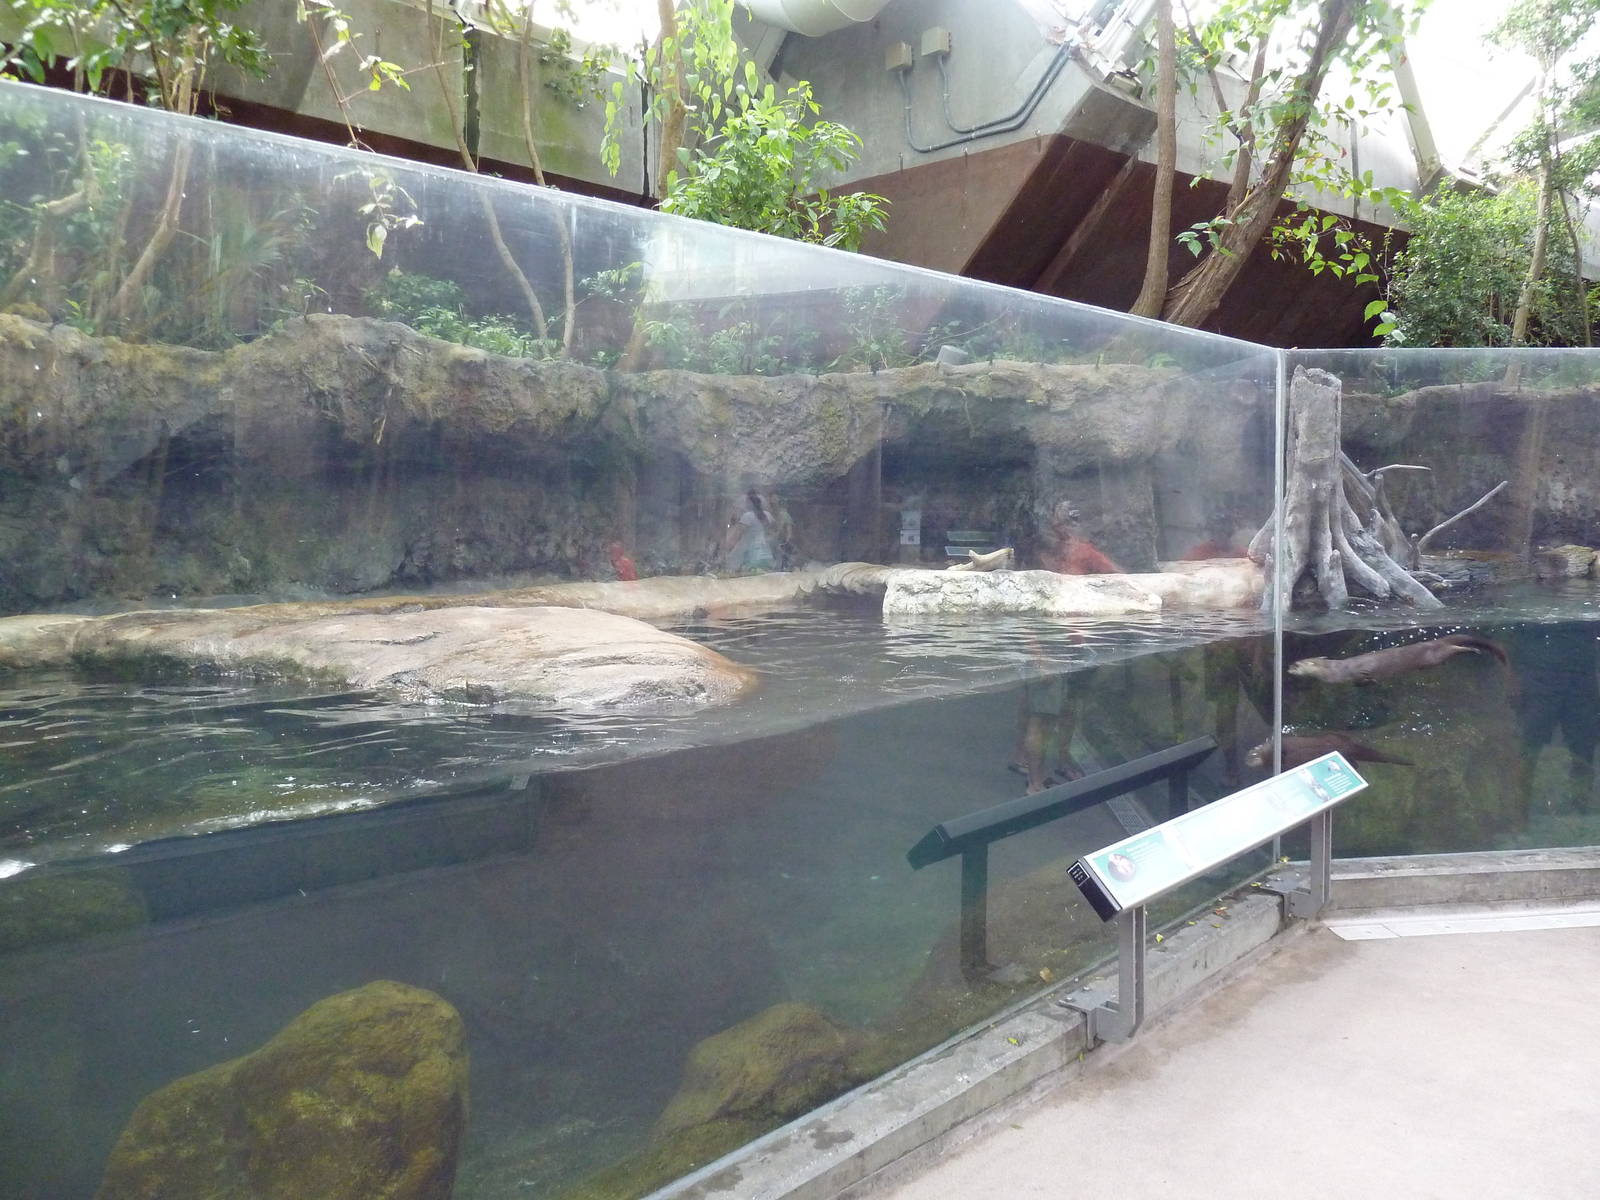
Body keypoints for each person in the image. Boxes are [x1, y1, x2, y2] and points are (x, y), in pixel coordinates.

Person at [1038, 502, 1121, 574]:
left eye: (1063, 524)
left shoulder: (1085, 552)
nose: (1056, 528)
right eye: (1055, 525)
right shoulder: (1046, 554)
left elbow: (1115, 575)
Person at [722, 490, 776, 572]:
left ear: (748, 503)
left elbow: (737, 536)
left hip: (752, 555)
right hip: (766, 553)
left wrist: (726, 548)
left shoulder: (747, 516)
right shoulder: (768, 515)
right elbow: (774, 532)